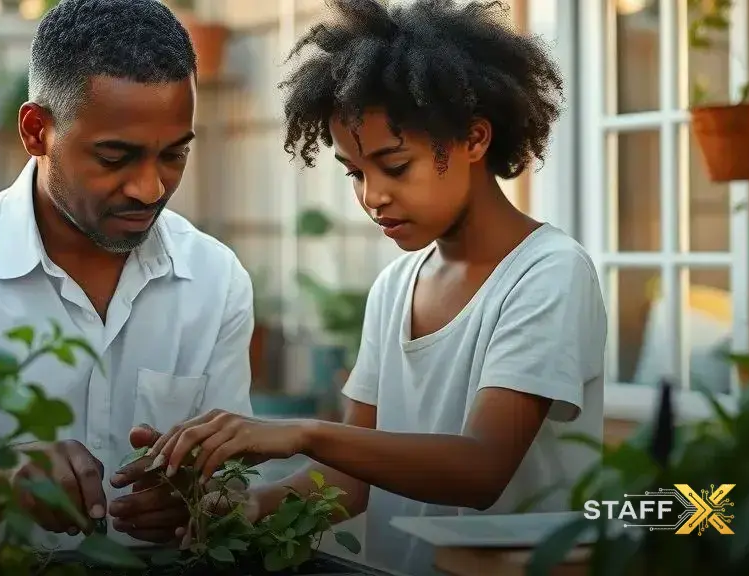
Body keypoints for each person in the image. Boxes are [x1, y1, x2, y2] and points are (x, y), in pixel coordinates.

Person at [114, 0, 607, 573]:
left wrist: (302, 433)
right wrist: (241, 508)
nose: (372, 196)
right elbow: (350, 481)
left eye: (394, 166)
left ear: (474, 139)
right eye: (355, 172)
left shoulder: (547, 272)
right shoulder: (396, 286)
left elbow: (482, 469)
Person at [0, 0, 254, 551]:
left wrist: (200, 502)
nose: (150, 188)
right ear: (36, 131)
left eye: (173, 155)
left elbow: (236, 483)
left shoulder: (216, 279)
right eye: (115, 157)